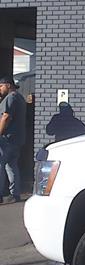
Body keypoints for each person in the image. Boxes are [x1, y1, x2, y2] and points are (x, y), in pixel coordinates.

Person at [0, 76, 26, 204]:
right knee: (11, 166)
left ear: (8, 85)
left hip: (7, 139)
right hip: (17, 139)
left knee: (1, 165)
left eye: (1, 86)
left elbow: (6, 117)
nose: (0, 89)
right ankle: (15, 194)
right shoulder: (20, 98)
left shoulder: (10, 97)